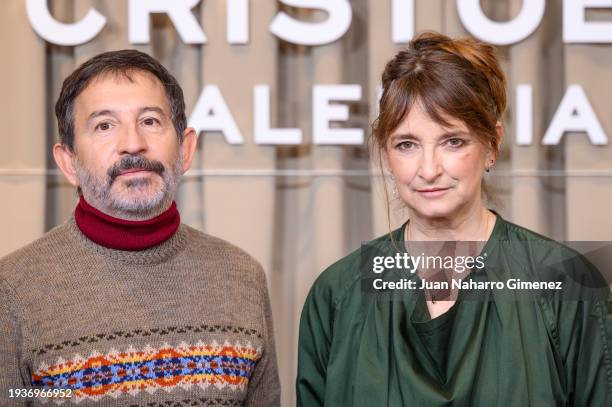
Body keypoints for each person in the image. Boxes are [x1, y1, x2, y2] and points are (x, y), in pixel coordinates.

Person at [297, 32, 611, 406]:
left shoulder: (566, 285)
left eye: (453, 141)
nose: (428, 170)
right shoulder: (335, 296)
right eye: (407, 144)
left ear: (492, 144)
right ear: (385, 154)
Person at [0, 50, 280, 406]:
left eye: (149, 121)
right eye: (104, 125)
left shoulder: (242, 276)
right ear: (69, 162)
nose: (133, 143)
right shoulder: (12, 290)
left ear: (185, 148)